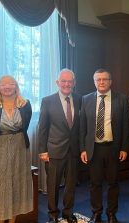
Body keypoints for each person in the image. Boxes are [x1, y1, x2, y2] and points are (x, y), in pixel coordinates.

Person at [0, 75, 33, 223]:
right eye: (3, 84)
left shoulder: (25, 104)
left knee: (16, 183)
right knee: (0, 184)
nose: (7, 87)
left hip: (20, 147)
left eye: (11, 84)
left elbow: (25, 126)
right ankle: (1, 221)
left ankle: (12, 220)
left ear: (16, 86)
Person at [80, 69, 129, 223]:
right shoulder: (86, 99)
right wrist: (83, 148)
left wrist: (124, 148)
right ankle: (96, 213)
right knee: (95, 183)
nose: (101, 82)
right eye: (98, 79)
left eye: (104, 79)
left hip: (113, 148)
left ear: (110, 81)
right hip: (93, 148)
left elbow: (126, 126)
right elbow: (82, 127)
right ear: (94, 82)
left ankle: (111, 213)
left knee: (113, 182)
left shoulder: (121, 99)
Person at [38, 69, 82, 223]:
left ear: (74, 83)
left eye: (70, 81)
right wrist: (43, 151)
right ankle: (53, 215)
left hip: (74, 151)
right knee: (53, 186)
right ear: (58, 83)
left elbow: (81, 127)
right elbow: (42, 128)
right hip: (54, 151)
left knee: (71, 185)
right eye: (63, 81)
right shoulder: (47, 101)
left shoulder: (79, 99)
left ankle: (68, 212)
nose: (66, 84)